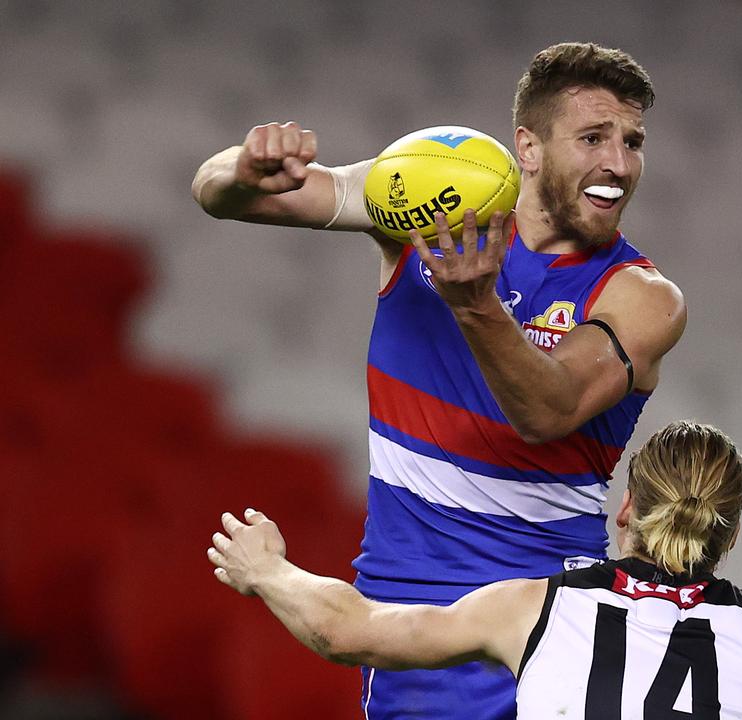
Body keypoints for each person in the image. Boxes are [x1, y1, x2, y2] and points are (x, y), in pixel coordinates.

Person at [191, 43, 686, 717]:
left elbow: (549, 411)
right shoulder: (432, 198)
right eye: (593, 138)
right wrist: (243, 169)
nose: (618, 165)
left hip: (551, 631)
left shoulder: (641, 296)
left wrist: (476, 306)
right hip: (407, 621)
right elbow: (221, 196)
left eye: (632, 142)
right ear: (528, 148)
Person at [207, 364, 742, 718]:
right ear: (733, 531)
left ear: (627, 504)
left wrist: (270, 571)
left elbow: (348, 630)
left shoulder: (534, 609)